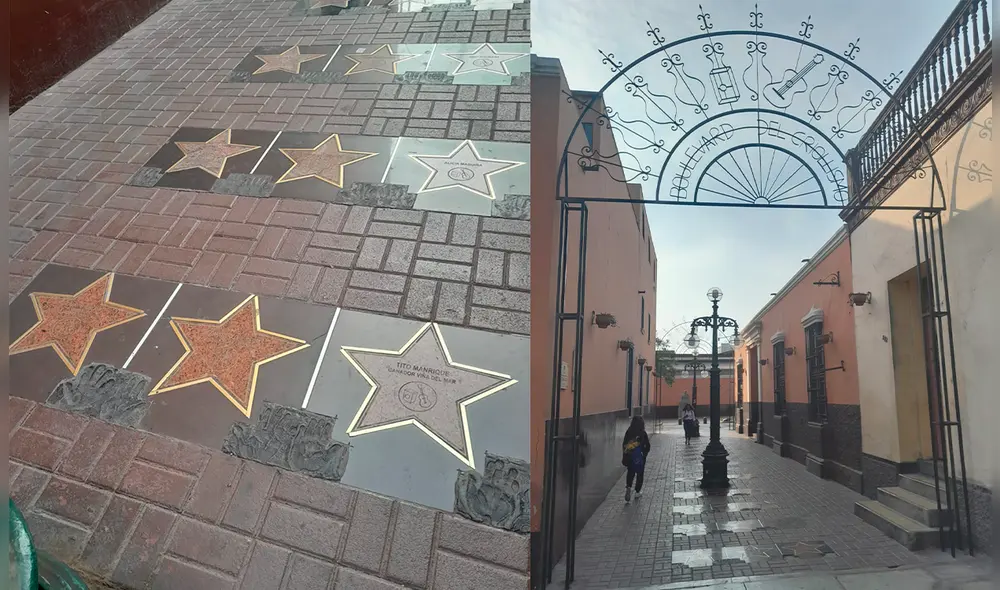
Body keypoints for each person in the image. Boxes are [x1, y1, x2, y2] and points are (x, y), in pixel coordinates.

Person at [621, 415, 650, 503]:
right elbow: (647, 446)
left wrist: (626, 454)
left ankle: (629, 486)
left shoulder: (629, 431)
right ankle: (637, 491)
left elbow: (624, 444)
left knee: (630, 472)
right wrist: (644, 454)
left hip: (630, 456)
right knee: (640, 474)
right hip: (640, 457)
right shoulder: (642, 433)